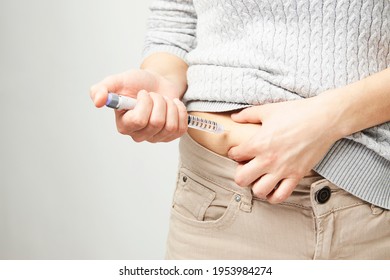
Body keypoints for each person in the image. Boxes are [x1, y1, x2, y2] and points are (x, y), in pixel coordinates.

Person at [90, 0, 390, 259]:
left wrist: (327, 119)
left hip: (368, 215)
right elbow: (177, 17)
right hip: (215, 205)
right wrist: (161, 81)